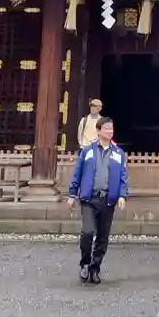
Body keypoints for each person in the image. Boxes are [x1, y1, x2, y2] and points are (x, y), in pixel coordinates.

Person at [67, 116, 128, 284]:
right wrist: (72, 194)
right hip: (89, 198)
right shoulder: (88, 151)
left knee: (102, 236)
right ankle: (85, 262)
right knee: (87, 232)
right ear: (98, 131)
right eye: (106, 128)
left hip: (108, 199)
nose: (109, 131)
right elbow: (78, 173)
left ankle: (95, 268)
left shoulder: (118, 153)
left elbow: (123, 176)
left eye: (111, 129)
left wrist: (122, 195)